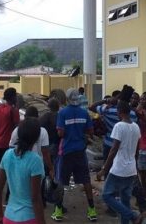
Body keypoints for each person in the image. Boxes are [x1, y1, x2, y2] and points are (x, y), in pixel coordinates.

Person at [52, 88, 97, 222]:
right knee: (86, 180)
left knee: (61, 180)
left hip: (66, 151)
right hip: (80, 151)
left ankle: (58, 211)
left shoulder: (62, 113)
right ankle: (92, 210)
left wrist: (69, 134)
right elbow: (90, 131)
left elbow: (60, 133)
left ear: (67, 98)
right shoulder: (84, 113)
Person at [99, 101, 143, 224]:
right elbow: (137, 151)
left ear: (119, 112)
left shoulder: (119, 126)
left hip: (119, 168)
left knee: (106, 195)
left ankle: (133, 216)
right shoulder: (136, 126)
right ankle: (129, 218)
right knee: (125, 200)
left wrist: (104, 169)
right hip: (131, 168)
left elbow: (113, 150)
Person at [0, 118, 46, 224]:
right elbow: (35, 198)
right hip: (28, 217)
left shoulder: (7, 154)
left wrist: (0, 217)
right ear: (36, 138)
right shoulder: (35, 160)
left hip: (8, 217)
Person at [39, 98, 60, 164]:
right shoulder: (60, 117)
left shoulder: (44, 117)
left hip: (47, 144)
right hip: (57, 144)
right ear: (58, 107)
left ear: (49, 107)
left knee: (47, 163)